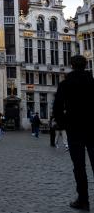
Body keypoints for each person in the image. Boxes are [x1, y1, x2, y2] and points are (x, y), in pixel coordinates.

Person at [53, 55, 94, 211]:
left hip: (75, 128)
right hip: (92, 127)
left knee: (79, 166)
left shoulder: (65, 84)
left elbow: (57, 107)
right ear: (85, 65)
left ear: (71, 65)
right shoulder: (93, 82)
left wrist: (64, 122)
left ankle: (83, 200)